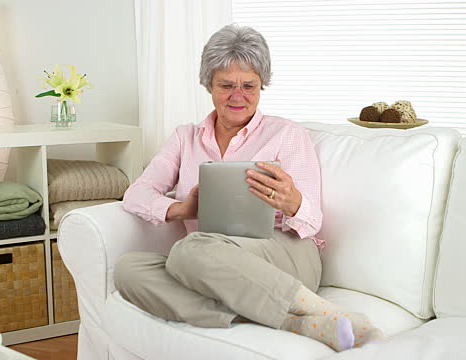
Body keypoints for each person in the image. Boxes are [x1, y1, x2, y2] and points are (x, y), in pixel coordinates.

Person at [115, 24, 384, 352]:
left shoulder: (286, 134)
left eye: (249, 86)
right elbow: (136, 193)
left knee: (188, 250)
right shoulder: (185, 138)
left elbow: (311, 221)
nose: (238, 96)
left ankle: (324, 311)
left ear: (262, 86)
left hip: (285, 251)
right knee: (129, 270)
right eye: (226, 85)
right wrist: (179, 210)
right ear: (208, 85)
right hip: (215, 261)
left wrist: (292, 202)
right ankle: (293, 323)